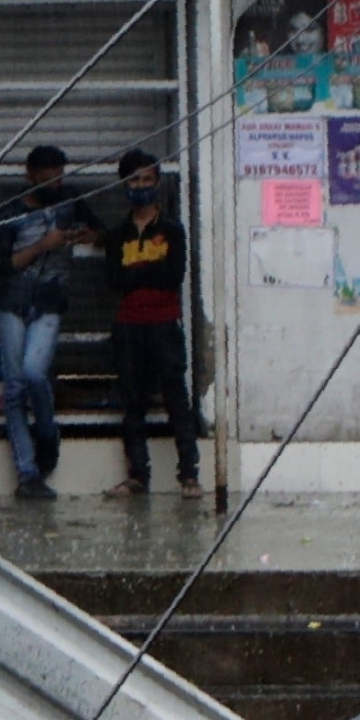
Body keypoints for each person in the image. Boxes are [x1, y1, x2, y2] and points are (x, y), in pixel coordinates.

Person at [0, 142, 96, 500]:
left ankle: (47, 433)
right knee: (15, 388)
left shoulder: (70, 201)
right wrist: (44, 245)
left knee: (34, 373)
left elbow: (101, 231)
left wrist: (83, 235)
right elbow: (1, 267)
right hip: (12, 304)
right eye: (47, 180)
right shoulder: (12, 212)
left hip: (49, 303)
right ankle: (27, 473)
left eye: (59, 179)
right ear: (30, 176)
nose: (54, 186)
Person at [101, 148, 200, 495]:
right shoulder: (118, 235)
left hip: (163, 323)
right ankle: (137, 476)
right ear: (124, 184)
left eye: (146, 179)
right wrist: (147, 271)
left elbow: (173, 274)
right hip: (128, 325)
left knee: (176, 398)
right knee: (133, 402)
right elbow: (115, 280)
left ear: (157, 183)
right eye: (134, 180)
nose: (140, 185)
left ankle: (189, 474)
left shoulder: (172, 230)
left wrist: (137, 271)